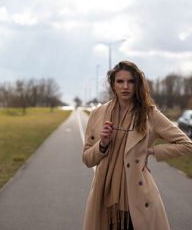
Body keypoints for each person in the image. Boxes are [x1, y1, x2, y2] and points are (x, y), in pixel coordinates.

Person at [82, 60, 192, 230]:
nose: (125, 86)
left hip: (137, 198)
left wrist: (151, 150)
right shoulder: (98, 114)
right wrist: (102, 145)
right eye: (120, 81)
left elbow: (186, 144)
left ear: (137, 84)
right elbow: (87, 160)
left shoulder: (150, 114)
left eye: (131, 81)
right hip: (104, 197)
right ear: (113, 85)